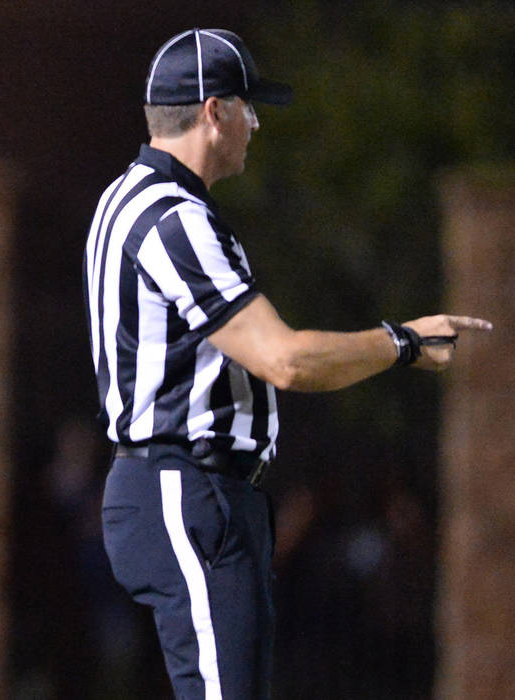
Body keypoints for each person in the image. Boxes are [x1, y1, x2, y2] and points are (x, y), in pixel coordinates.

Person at [83, 28, 491, 699]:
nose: (257, 123)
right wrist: (403, 342)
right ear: (214, 110)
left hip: (178, 491)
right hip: (186, 489)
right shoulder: (172, 216)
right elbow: (286, 361)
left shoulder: (127, 197)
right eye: (248, 106)